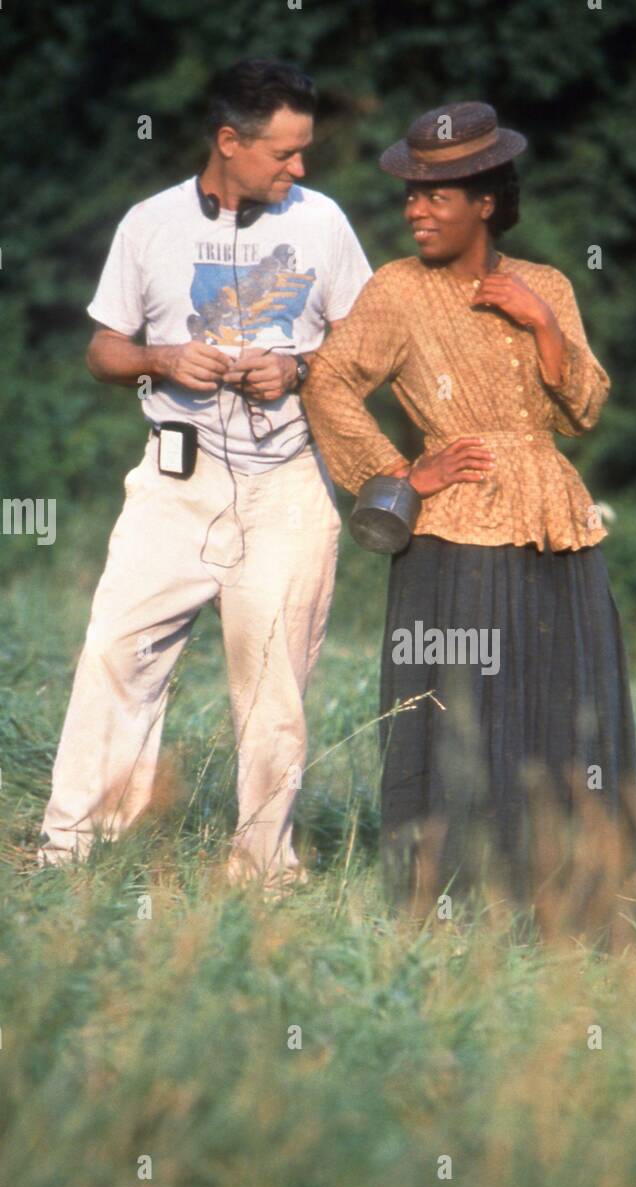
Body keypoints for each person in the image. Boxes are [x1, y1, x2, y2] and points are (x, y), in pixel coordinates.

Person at [301, 102, 636, 946]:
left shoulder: (550, 285)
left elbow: (585, 410)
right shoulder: (396, 290)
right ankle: (449, 911)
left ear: (485, 200)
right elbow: (328, 382)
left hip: (555, 523)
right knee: (461, 715)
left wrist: (538, 320)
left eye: (438, 195)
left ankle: (575, 913)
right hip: (453, 528)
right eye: (411, 195)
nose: (417, 209)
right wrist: (397, 474)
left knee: (567, 711)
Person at [37, 58, 372, 891]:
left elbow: (366, 347)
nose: (300, 169)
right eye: (285, 153)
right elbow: (103, 349)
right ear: (230, 141)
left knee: (273, 688)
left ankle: (261, 872)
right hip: (173, 485)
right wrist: (161, 357)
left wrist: (296, 369)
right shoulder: (148, 225)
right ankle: (73, 852)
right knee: (117, 655)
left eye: (304, 152)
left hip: (286, 486)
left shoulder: (323, 222)